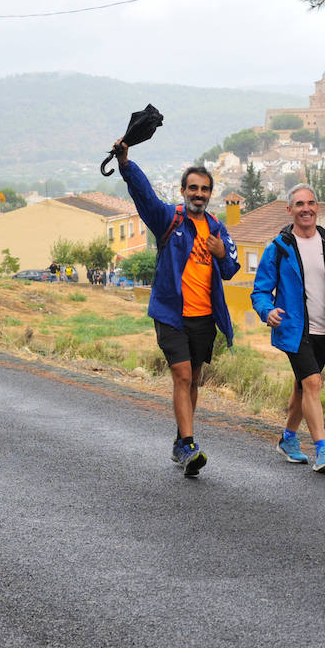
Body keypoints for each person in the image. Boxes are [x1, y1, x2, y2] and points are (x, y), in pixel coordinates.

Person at [118, 138, 239, 478]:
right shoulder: (169, 219)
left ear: (210, 194)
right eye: (193, 188)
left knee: (194, 379)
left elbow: (231, 269)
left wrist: (221, 253)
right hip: (171, 315)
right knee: (182, 375)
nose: (198, 194)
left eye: (204, 189)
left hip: (204, 318)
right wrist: (126, 165)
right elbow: (145, 196)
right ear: (183, 190)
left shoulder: (216, 228)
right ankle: (187, 444)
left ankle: (181, 441)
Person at [250, 184, 325, 474]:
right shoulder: (278, 248)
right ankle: (322, 450)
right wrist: (267, 311)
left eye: (311, 203)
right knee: (313, 383)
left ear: (317, 207)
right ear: (289, 209)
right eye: (299, 204)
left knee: (303, 385)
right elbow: (260, 291)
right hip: (294, 330)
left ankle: (288, 439)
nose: (306, 208)